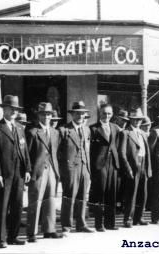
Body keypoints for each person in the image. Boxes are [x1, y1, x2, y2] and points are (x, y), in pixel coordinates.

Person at [0, 95, 31, 248]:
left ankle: (13, 236)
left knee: (17, 205)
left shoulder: (19, 127)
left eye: (16, 109)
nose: (13, 111)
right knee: (2, 207)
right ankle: (1, 238)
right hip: (4, 174)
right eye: (10, 108)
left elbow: (24, 150)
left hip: (19, 173)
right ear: (4, 109)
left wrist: (27, 169)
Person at [26, 103, 62, 242]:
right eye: (43, 114)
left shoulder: (55, 132)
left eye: (48, 114)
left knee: (51, 200)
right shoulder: (32, 132)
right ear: (38, 115)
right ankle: (32, 233)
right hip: (38, 170)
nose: (46, 117)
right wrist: (28, 171)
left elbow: (56, 152)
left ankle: (49, 230)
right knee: (35, 201)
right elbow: (27, 155)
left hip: (52, 170)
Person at [58, 101, 93, 235]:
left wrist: (88, 169)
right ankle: (66, 227)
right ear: (72, 114)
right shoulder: (64, 130)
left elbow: (87, 149)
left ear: (85, 115)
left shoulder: (86, 129)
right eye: (77, 113)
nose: (80, 116)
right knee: (69, 197)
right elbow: (58, 153)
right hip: (70, 168)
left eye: (82, 113)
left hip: (84, 167)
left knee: (83, 196)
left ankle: (81, 224)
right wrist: (64, 169)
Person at [89, 104, 121, 231]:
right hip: (99, 165)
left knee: (111, 194)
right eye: (104, 113)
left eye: (109, 113)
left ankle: (110, 223)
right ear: (99, 114)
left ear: (112, 114)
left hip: (112, 164)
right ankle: (99, 224)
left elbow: (116, 146)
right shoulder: (93, 129)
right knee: (100, 194)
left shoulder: (115, 128)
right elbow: (90, 150)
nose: (106, 116)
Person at [119, 108, 152, 228]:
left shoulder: (143, 133)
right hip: (133, 166)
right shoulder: (125, 133)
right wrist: (128, 169)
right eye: (134, 119)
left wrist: (148, 169)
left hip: (143, 164)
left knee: (143, 193)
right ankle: (128, 218)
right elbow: (122, 154)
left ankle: (139, 217)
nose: (137, 122)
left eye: (139, 119)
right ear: (130, 120)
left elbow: (147, 152)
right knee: (131, 194)